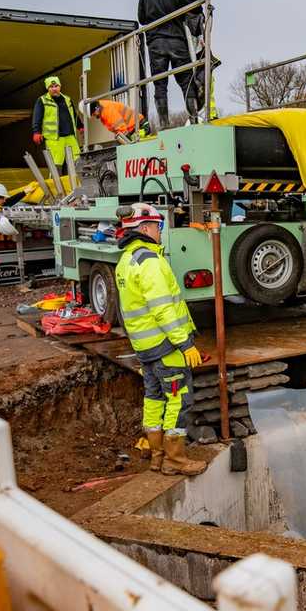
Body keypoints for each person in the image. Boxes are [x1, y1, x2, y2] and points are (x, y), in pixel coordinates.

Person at [115, 202, 207, 476]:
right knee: (178, 402)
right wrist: (185, 343)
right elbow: (163, 308)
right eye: (158, 226)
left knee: (154, 399)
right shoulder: (150, 262)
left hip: (145, 349)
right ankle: (175, 460)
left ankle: (156, 456)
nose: (160, 231)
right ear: (145, 228)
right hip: (166, 348)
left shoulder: (126, 261)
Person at [137, 0, 216, 124]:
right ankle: (194, 118)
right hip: (177, 42)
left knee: (160, 84)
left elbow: (142, 19)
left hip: (156, 44)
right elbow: (196, 7)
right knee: (186, 81)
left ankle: (164, 124)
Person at [32, 76, 83, 167]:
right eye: (51, 87)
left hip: (70, 136)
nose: (54, 89)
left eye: (56, 86)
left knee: (77, 161)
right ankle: (55, 181)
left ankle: (78, 181)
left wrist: (80, 126)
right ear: (47, 88)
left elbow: (73, 115)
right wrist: (36, 131)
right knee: (56, 164)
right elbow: (37, 117)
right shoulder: (42, 100)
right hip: (54, 138)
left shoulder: (67, 99)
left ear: (60, 86)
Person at [88, 99, 152, 141]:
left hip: (140, 128)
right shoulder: (103, 110)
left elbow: (122, 130)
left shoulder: (107, 111)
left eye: (93, 114)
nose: (94, 116)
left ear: (96, 108)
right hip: (134, 128)